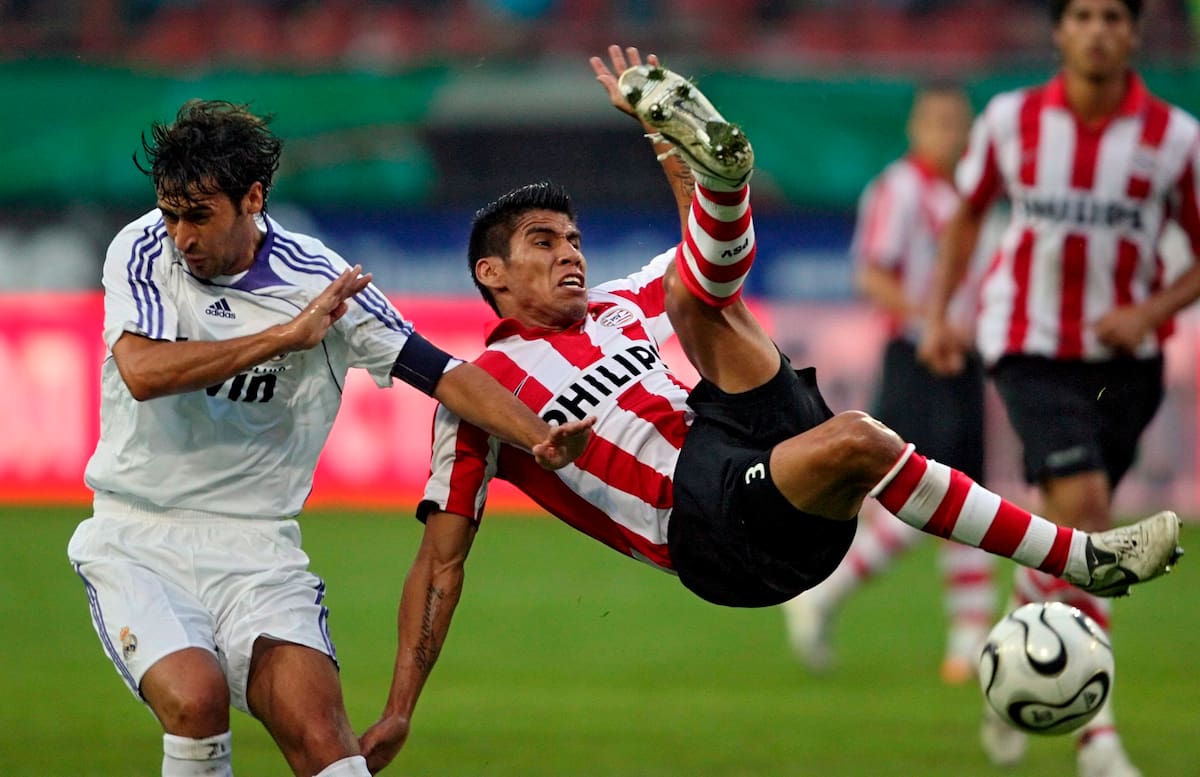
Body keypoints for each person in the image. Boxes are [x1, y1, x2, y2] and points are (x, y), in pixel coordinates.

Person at [359, 46, 1183, 774]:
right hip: (706, 527)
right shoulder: (479, 397)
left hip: (736, 452)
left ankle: (722, 173)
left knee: (699, 292)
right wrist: (400, 706)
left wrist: (669, 151)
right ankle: (1082, 557)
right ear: (492, 275)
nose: (570, 252)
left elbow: (702, 264)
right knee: (854, 432)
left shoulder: (614, 307)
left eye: (573, 237)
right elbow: (440, 563)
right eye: (543, 242)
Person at [66, 100, 592, 777]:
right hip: (139, 536)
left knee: (327, 744)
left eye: (199, 215)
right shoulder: (142, 249)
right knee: (197, 701)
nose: (181, 235)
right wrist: (284, 337)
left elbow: (441, 371)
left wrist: (539, 435)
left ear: (252, 198)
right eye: (170, 213)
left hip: (259, 546)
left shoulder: (319, 279)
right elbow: (141, 371)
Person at [918, 1, 1200, 774]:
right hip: (1029, 344)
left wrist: (1149, 308)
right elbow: (969, 218)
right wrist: (941, 314)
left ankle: (1008, 656)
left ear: (1134, 32)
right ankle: (1097, 738)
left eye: (1114, 15)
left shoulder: (1176, 139)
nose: (1099, 29)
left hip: (1127, 357)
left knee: (1066, 526)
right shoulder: (1012, 120)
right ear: (1059, 31)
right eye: (1082, 14)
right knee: (1091, 515)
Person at [781, 84, 998, 684]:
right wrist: (932, 322)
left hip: (965, 354)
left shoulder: (973, 196)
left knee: (969, 494)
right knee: (918, 497)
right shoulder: (898, 190)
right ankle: (822, 592)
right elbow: (872, 275)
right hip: (918, 354)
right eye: (937, 122)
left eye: (957, 122)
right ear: (916, 129)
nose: (949, 134)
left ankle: (969, 636)